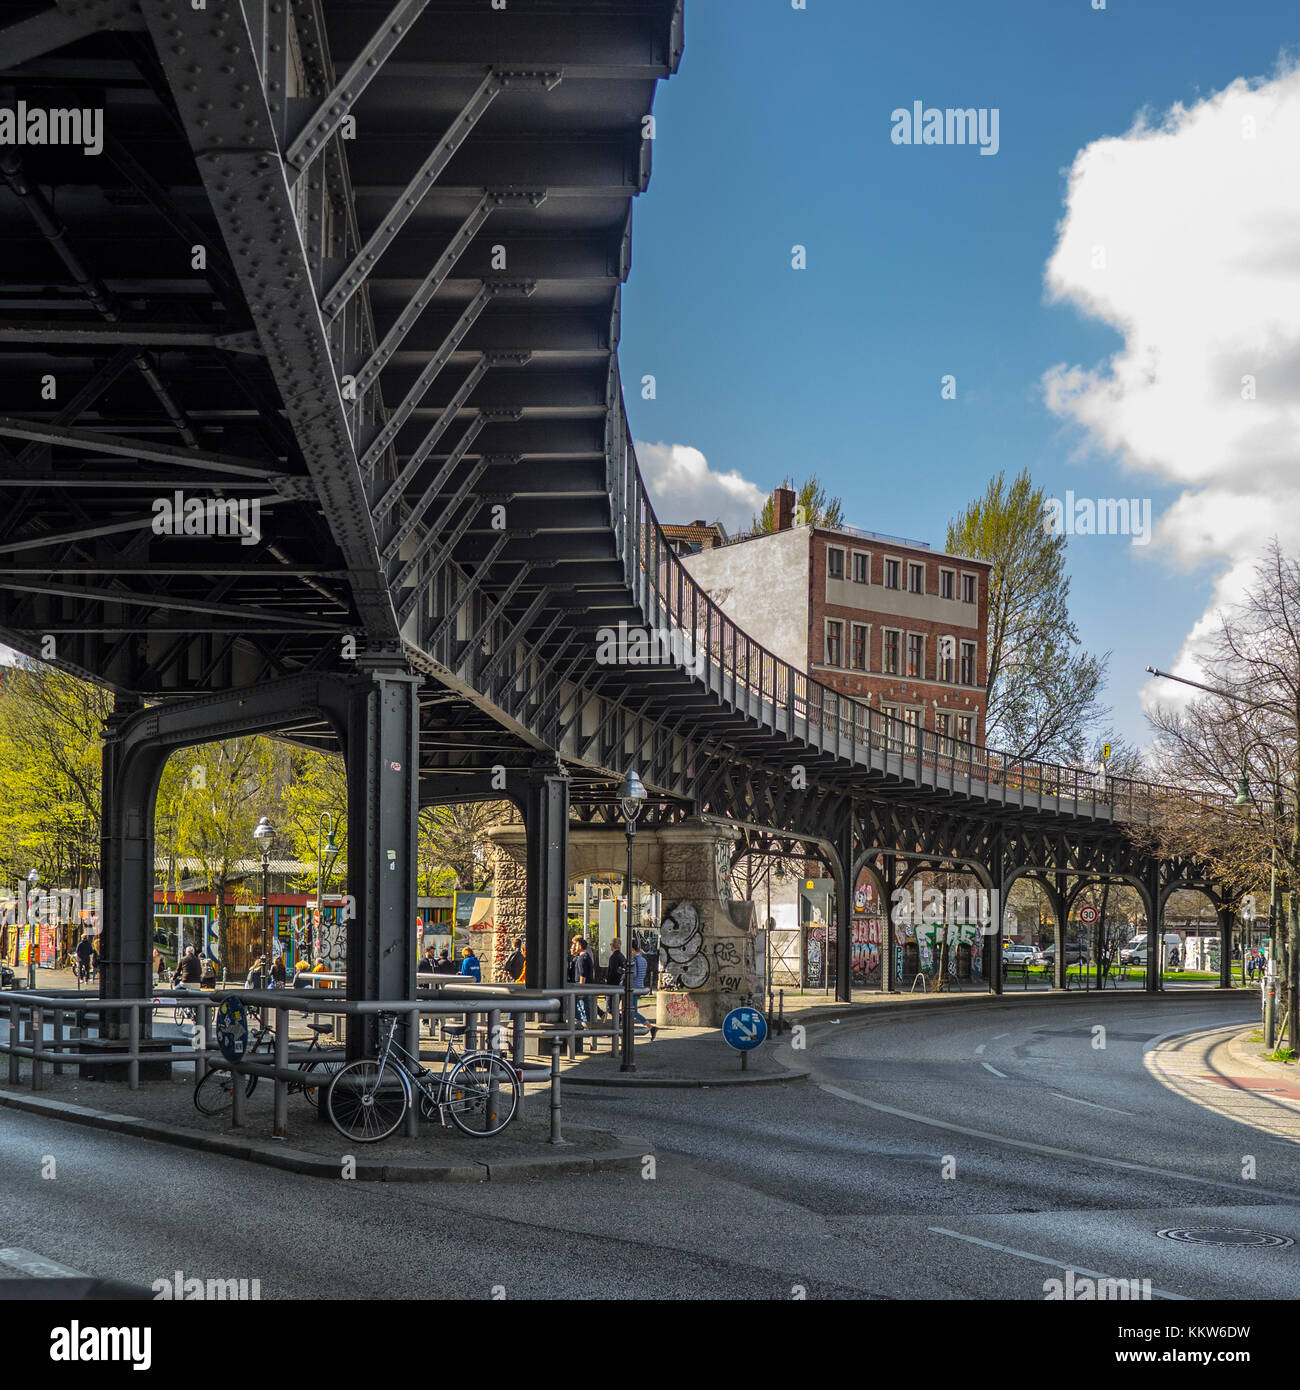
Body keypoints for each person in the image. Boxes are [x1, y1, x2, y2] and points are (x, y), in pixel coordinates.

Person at [629, 943, 656, 1039]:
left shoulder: (634, 960)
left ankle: (651, 1027)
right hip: (640, 986)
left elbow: (634, 974)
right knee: (631, 1010)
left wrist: (625, 972)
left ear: (632, 950)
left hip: (633, 987)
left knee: (632, 1011)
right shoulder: (643, 960)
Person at [604, 937, 626, 1020]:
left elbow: (613, 971)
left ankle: (618, 1020)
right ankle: (618, 1019)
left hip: (612, 985)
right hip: (619, 984)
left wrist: (607, 981)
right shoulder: (622, 956)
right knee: (615, 1005)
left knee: (609, 1007)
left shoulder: (613, 957)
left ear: (612, 946)